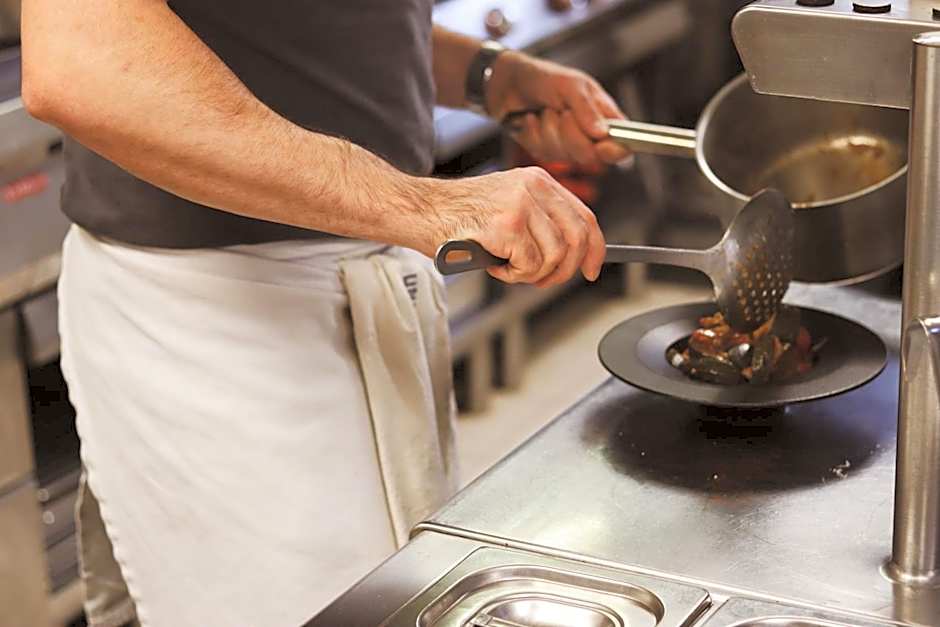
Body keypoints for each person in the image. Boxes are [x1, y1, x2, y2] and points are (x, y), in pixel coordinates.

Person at [21, 1, 630, 625]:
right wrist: (420, 206)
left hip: (371, 278)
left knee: (398, 594)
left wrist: (491, 75)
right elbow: (81, 61)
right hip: (224, 322)